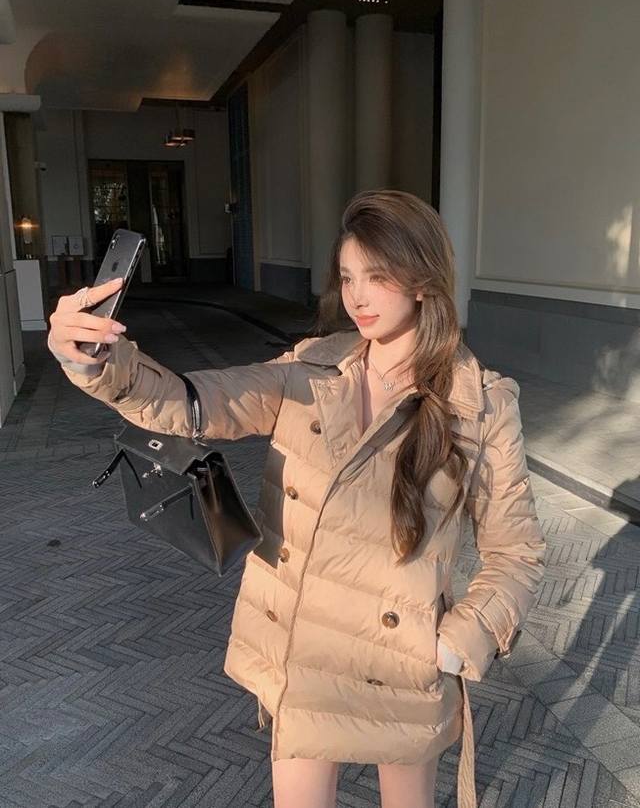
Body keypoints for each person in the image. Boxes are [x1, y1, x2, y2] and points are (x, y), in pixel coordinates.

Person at [48, 190, 546, 808]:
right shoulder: (308, 369)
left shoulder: (481, 404)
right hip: (302, 651)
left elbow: (516, 552)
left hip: (401, 659)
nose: (357, 297)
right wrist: (98, 363)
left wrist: (458, 641)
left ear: (422, 280)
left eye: (377, 276)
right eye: (347, 277)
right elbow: (191, 403)